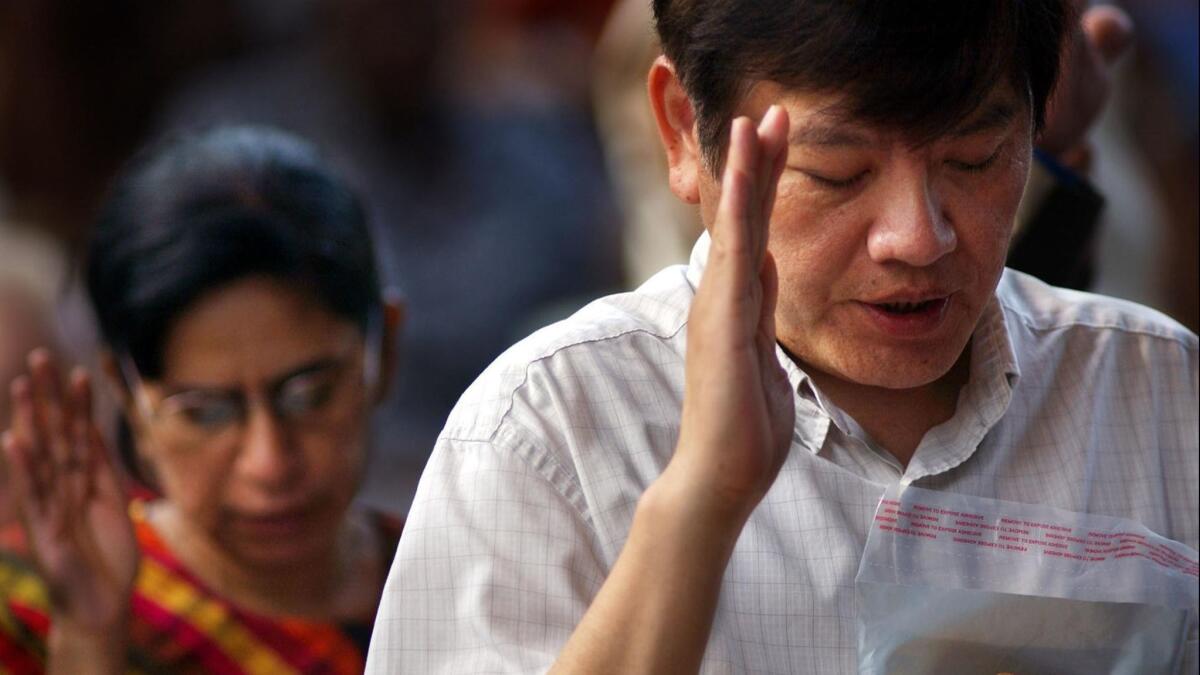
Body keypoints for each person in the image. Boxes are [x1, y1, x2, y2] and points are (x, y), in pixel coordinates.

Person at [366, 1, 1198, 673]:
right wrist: (700, 503)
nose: (917, 237)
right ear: (684, 131)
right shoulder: (543, 434)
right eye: (838, 172)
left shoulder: (1157, 391)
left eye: (975, 157)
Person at [0, 125, 404, 674]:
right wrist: (89, 633)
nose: (269, 463)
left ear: (385, 352)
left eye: (310, 394)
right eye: (205, 413)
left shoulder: (472, 581)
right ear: (126, 395)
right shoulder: (29, 608)